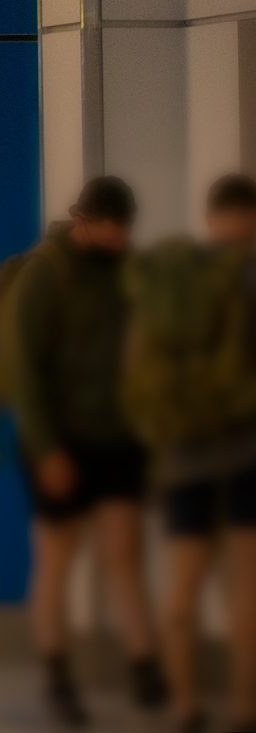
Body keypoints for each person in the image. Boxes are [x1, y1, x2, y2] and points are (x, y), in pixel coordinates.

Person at [2, 175, 164, 725]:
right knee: (57, 560)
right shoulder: (46, 275)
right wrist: (47, 450)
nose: (119, 242)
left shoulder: (127, 268)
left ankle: (145, 667)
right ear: (83, 221)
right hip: (59, 439)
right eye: (110, 232)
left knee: (125, 555)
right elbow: (26, 370)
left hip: (117, 437)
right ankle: (56, 675)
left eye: (125, 233)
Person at [147, 175, 256, 733]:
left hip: (184, 452)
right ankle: (243, 708)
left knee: (182, 586)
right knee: (246, 586)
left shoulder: (174, 279)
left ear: (212, 217)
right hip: (246, 451)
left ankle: (185, 707)